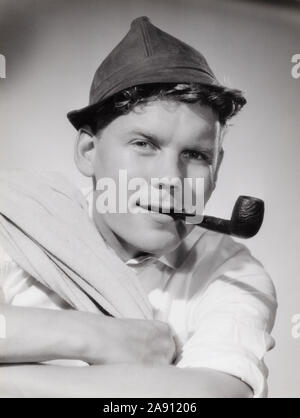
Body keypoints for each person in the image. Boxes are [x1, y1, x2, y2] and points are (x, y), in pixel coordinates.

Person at [0, 16, 277, 398]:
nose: (171, 179)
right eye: (144, 144)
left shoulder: (231, 272)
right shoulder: (18, 219)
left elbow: (213, 397)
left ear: (217, 169)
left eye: (195, 154)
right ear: (88, 151)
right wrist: (97, 337)